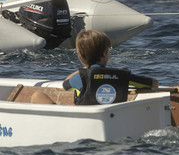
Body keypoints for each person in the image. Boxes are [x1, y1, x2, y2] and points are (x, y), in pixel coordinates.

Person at [5, 29, 156, 106]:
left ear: (79, 56)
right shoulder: (123, 75)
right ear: (105, 53)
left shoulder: (80, 77)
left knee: (37, 95)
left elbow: (65, 85)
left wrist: (79, 71)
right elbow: (153, 84)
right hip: (113, 117)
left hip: (85, 120)